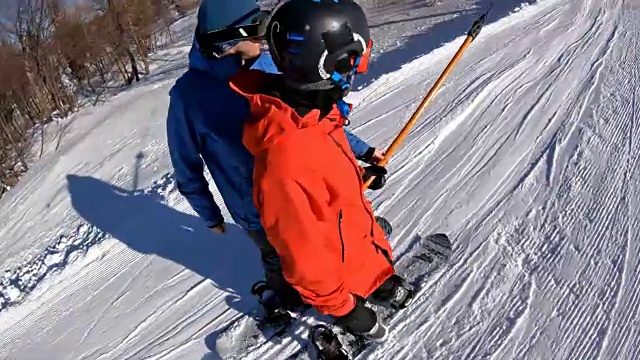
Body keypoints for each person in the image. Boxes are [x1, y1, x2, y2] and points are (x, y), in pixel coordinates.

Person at [165, 0, 387, 321]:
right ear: (227, 42)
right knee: (279, 257)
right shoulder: (188, 98)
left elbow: (316, 118)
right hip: (254, 208)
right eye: (256, 30)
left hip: (306, 184)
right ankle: (288, 296)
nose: (264, 37)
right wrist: (210, 215)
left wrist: (362, 151)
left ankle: (345, 276)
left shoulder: (269, 67)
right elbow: (186, 165)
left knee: (324, 236)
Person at [229, 0, 414, 341]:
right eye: (352, 64)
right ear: (327, 68)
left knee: (370, 262)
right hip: (337, 275)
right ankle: (357, 305)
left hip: (359, 245)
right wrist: (344, 310)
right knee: (339, 284)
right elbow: (305, 262)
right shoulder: (283, 164)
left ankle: (378, 282)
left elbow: (325, 184)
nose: (356, 73)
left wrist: (358, 178)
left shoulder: (317, 113)